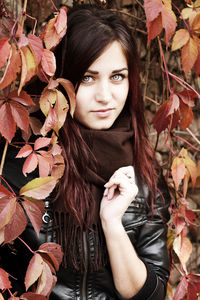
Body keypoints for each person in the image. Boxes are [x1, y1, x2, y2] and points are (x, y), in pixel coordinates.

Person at [0, 4, 171, 300]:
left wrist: (112, 224)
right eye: (88, 78)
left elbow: (151, 294)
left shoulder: (143, 176)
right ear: (60, 79)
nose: (105, 96)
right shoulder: (18, 165)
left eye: (117, 76)